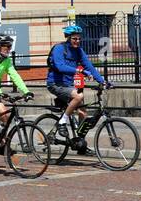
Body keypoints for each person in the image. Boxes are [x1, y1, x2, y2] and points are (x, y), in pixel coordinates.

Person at [46, 24, 108, 154]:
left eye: (79, 39)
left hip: (69, 85)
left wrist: (103, 81)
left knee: (83, 113)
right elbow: (60, 66)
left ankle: (80, 145)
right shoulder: (59, 49)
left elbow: (89, 66)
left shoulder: (79, 51)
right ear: (68, 38)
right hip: (55, 84)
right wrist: (79, 71)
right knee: (78, 96)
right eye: (74, 39)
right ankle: (62, 122)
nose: (77, 41)